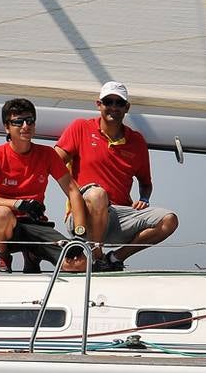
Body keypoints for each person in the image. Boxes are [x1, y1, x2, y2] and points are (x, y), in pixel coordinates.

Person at [54, 81, 178, 271]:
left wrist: (144, 198)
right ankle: (97, 257)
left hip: (119, 215)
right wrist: (73, 194)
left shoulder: (136, 141)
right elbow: (54, 163)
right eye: (108, 102)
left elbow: (145, 183)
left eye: (119, 103)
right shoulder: (81, 127)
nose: (113, 107)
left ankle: (115, 258)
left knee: (169, 220)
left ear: (126, 107)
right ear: (99, 104)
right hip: (83, 216)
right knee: (97, 194)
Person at [0, 98, 90, 273]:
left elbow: (73, 192)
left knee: (78, 263)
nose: (25, 126)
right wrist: (18, 204)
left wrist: (80, 234)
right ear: (7, 127)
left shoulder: (48, 155)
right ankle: (4, 257)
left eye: (30, 121)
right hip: (3, 230)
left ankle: (32, 254)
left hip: (35, 224)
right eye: (18, 122)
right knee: (1, 213)